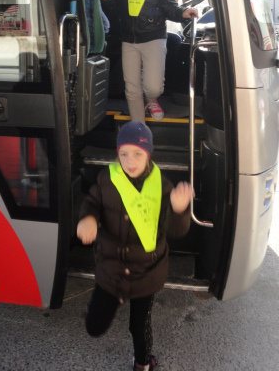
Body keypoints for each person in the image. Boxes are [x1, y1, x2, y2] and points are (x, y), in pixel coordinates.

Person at [77, 121, 193, 371]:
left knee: (139, 326)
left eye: (138, 154)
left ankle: (143, 361)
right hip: (111, 270)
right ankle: (115, 299)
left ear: (148, 154)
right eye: (124, 154)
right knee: (94, 327)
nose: (130, 161)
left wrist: (179, 209)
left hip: (146, 273)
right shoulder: (107, 179)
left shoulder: (162, 186)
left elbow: (176, 231)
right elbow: (91, 201)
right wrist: (88, 218)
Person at [96, 0, 198, 121]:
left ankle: (151, 100)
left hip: (153, 37)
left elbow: (168, 6)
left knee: (153, 88)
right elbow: (119, 8)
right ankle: (139, 131)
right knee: (131, 89)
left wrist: (182, 13)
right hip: (129, 40)